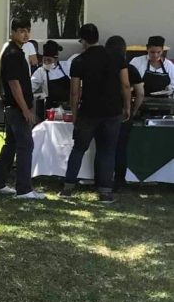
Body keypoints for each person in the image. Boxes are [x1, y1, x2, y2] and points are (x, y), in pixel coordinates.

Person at [59, 23, 131, 204]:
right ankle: (105, 191)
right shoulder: (117, 58)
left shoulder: (79, 61)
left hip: (89, 112)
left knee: (78, 149)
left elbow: (74, 92)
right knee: (107, 151)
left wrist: (75, 113)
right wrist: (127, 107)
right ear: (98, 37)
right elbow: (125, 85)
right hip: (113, 112)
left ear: (83, 41)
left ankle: (68, 188)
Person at [0, 18, 44, 199]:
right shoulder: (12, 53)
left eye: (28, 30)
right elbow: (14, 84)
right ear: (12, 32)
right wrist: (25, 109)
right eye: (21, 30)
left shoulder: (17, 51)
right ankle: (24, 189)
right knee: (25, 145)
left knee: (11, 145)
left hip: (15, 107)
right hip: (16, 108)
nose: (26, 34)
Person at [105, 36, 144, 189]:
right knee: (120, 147)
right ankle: (119, 180)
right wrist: (133, 110)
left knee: (104, 148)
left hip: (103, 111)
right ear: (124, 50)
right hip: (123, 112)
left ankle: (101, 179)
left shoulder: (100, 66)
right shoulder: (130, 68)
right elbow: (140, 93)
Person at [30, 40, 71, 112]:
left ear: (56, 59)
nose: (46, 62)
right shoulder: (40, 71)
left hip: (68, 108)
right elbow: (30, 87)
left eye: (49, 60)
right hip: (51, 110)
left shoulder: (66, 66)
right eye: (44, 60)